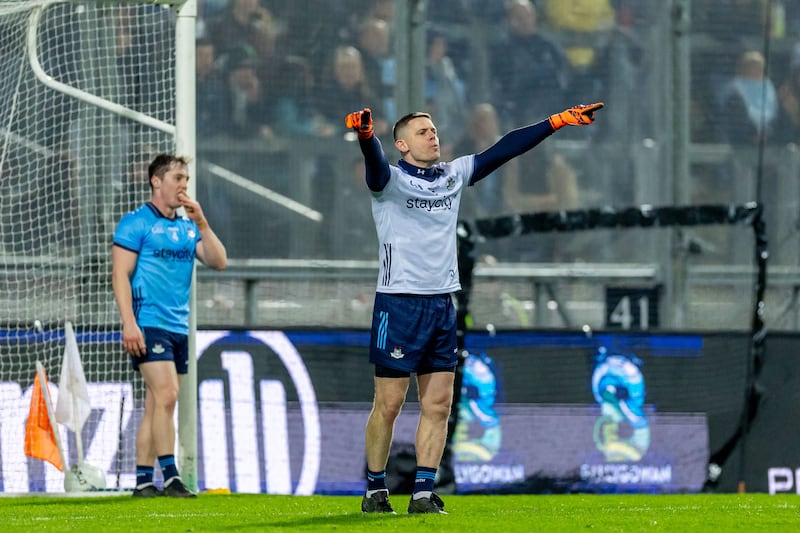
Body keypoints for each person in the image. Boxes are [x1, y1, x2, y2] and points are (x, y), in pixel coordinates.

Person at [345, 101, 603, 514]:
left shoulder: (452, 174)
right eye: (423, 132)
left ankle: (424, 493)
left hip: (442, 304)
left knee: (439, 405)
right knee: (389, 404)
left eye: (434, 130)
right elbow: (374, 167)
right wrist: (364, 137)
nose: (433, 136)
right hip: (399, 303)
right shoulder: (390, 180)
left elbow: (505, 149)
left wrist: (556, 121)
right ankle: (376, 490)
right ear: (402, 144)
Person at [112, 154, 228, 498]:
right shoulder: (135, 223)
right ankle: (173, 476)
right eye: (177, 177)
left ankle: (144, 481)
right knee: (168, 395)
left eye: (186, 179)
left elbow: (219, 261)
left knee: (156, 403)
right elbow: (120, 274)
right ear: (156, 181)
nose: (183, 185)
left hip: (178, 326)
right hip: (148, 321)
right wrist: (128, 323)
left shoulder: (187, 226)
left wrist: (203, 222)